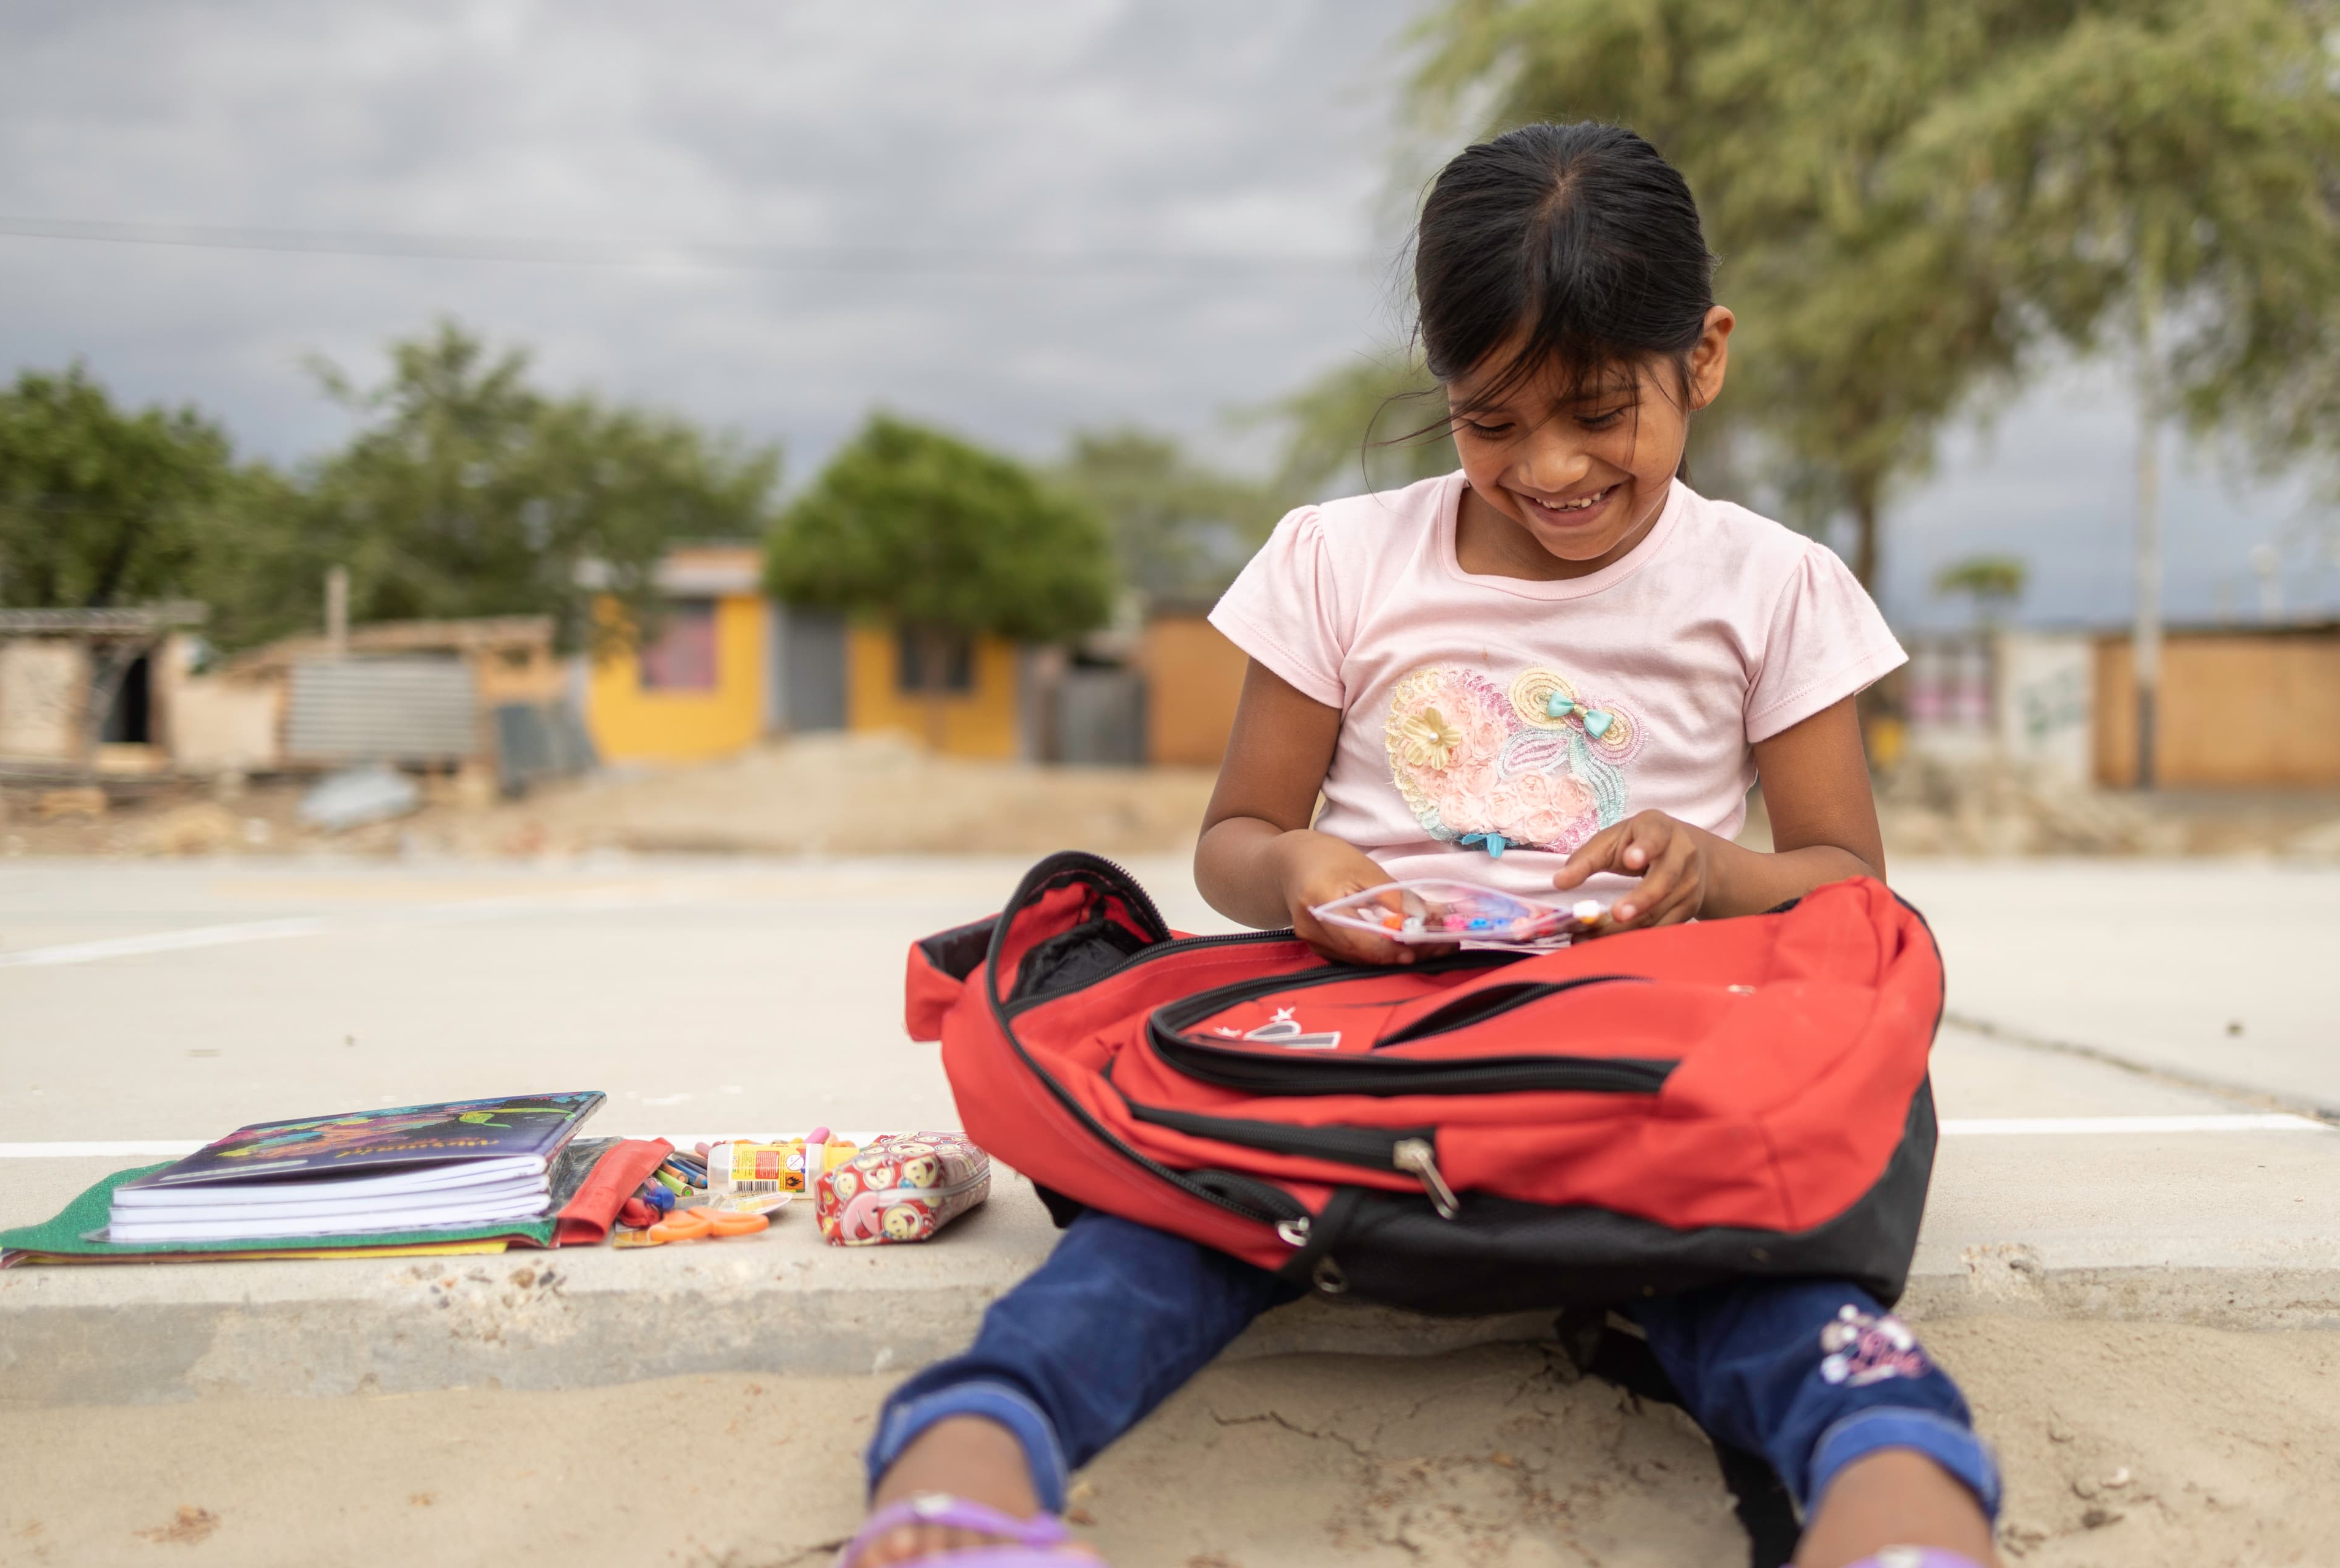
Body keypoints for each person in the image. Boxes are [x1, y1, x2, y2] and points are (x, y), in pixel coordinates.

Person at [842, 123, 2002, 1568]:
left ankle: (1900, 1513)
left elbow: (1846, 889)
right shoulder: (1339, 560)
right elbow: (1234, 837)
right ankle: (955, 1490)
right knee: (1153, 1242)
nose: (1553, 464)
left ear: (1703, 358)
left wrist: (1716, 869)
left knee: (1758, 1275)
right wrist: (1297, 876)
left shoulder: (1772, 584)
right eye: (1492, 420)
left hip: (1631, 1059)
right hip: (1370, 1040)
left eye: (1598, 411)